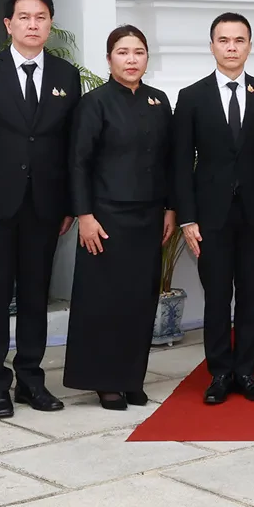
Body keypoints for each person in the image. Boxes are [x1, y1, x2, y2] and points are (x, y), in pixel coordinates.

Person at [0, 0, 81, 420]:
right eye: (24, 17)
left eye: (41, 17)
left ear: (50, 24)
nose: (33, 24)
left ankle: (30, 377)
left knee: (34, 296)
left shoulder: (66, 75)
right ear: (8, 25)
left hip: (45, 207)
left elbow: (71, 148)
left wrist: (69, 203)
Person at [175, 12, 254, 406]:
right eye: (224, 40)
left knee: (252, 295)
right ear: (212, 47)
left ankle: (247, 373)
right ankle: (220, 373)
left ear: (249, 46)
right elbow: (180, 162)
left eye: (239, 40)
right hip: (211, 217)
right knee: (218, 296)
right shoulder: (191, 97)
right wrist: (187, 218)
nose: (232, 47)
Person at [66, 26, 175, 410]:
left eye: (139, 52)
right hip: (106, 219)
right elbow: (78, 163)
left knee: (139, 301)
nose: (131, 59)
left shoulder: (159, 101)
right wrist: (85, 215)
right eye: (123, 52)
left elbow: (170, 162)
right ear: (109, 58)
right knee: (104, 302)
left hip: (149, 217)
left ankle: (131, 379)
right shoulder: (94, 103)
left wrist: (171, 209)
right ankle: (104, 381)